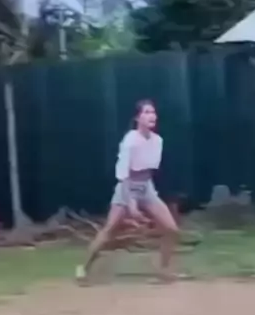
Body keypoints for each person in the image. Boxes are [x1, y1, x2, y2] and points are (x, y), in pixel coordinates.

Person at [75, 99, 180, 282]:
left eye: (153, 112)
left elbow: (149, 171)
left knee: (171, 229)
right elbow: (123, 174)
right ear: (137, 118)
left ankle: (163, 271)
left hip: (146, 187)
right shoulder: (130, 140)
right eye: (146, 112)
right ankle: (83, 268)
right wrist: (131, 203)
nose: (152, 116)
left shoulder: (157, 141)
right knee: (109, 230)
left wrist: (147, 200)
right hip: (126, 187)